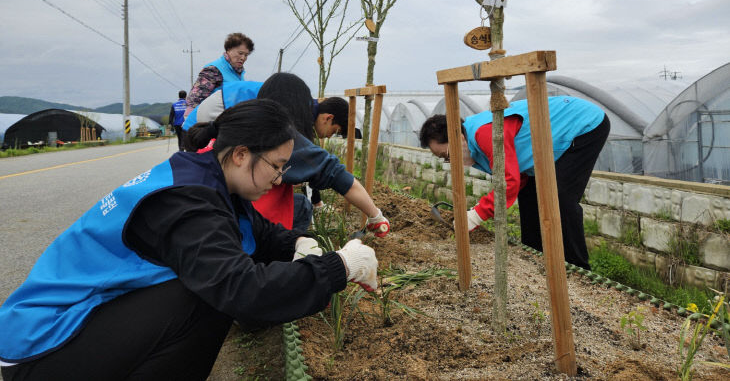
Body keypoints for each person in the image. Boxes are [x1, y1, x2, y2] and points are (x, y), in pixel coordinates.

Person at [0, 100, 378, 381]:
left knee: (207, 283)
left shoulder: (208, 177)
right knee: (203, 295)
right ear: (241, 154)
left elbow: (260, 234)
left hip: (77, 326)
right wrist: (339, 267)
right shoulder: (187, 202)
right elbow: (243, 289)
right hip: (40, 347)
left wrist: (299, 243)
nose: (280, 180)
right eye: (277, 166)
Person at [419, 96, 610, 270]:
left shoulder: (484, 134)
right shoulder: (472, 146)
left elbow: (508, 182)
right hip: (551, 139)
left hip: (583, 124)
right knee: (528, 193)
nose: (449, 161)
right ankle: (534, 255)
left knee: (560, 197)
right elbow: (518, 179)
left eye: (446, 155)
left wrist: (476, 215)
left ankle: (579, 268)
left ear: (458, 138)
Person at [191, 74, 390, 236]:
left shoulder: (231, 133)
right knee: (300, 207)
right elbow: (339, 177)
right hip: (249, 233)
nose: (278, 179)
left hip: (216, 222)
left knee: (300, 203)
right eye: (277, 166)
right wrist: (376, 217)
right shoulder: (285, 139)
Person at [185, 32, 254, 116]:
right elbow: (194, 101)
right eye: (240, 53)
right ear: (228, 50)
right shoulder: (214, 70)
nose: (243, 58)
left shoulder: (239, 73)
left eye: (246, 55)